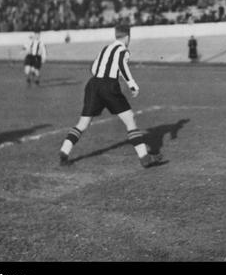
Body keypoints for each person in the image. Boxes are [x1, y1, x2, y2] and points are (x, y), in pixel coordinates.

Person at [58, 24, 162, 169]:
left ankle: (64, 151)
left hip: (93, 85)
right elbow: (121, 65)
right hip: (109, 86)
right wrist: (132, 84)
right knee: (130, 120)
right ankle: (144, 157)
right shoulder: (123, 50)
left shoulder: (106, 48)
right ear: (127, 37)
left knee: (83, 123)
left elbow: (93, 68)